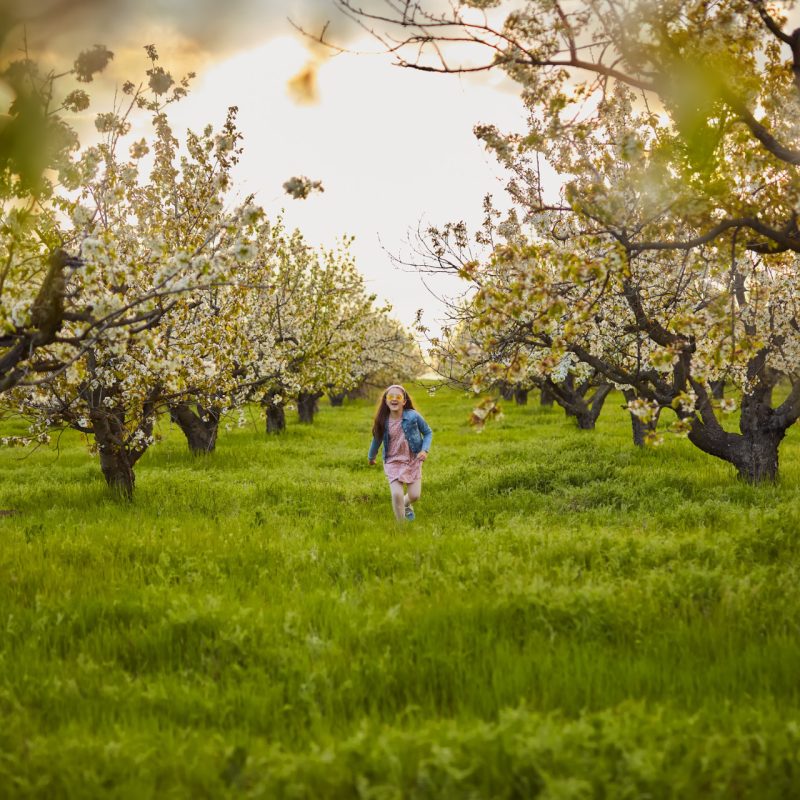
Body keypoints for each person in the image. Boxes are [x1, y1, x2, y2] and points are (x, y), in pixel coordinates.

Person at [368, 384, 433, 522]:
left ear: (404, 401)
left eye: (398, 397)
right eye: (391, 396)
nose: (394, 399)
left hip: (412, 459)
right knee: (396, 494)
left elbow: (427, 432)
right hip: (392, 460)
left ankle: (406, 504)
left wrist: (424, 450)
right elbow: (377, 440)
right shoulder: (383, 421)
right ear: (386, 400)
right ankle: (401, 527)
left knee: (415, 495)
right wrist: (371, 456)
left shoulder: (413, 416)